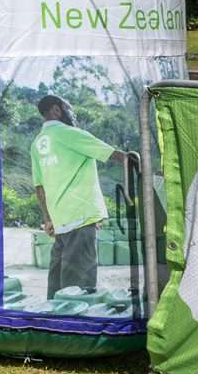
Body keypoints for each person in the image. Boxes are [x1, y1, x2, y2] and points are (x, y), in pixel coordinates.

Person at [30, 95, 127, 297]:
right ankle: (75, 325)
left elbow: (39, 188)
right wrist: (137, 161)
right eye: (67, 109)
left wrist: (48, 219)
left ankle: (54, 325)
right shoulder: (70, 134)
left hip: (59, 221)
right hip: (80, 216)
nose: (70, 114)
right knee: (79, 288)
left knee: (57, 287)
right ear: (56, 110)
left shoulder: (36, 144)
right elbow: (112, 154)